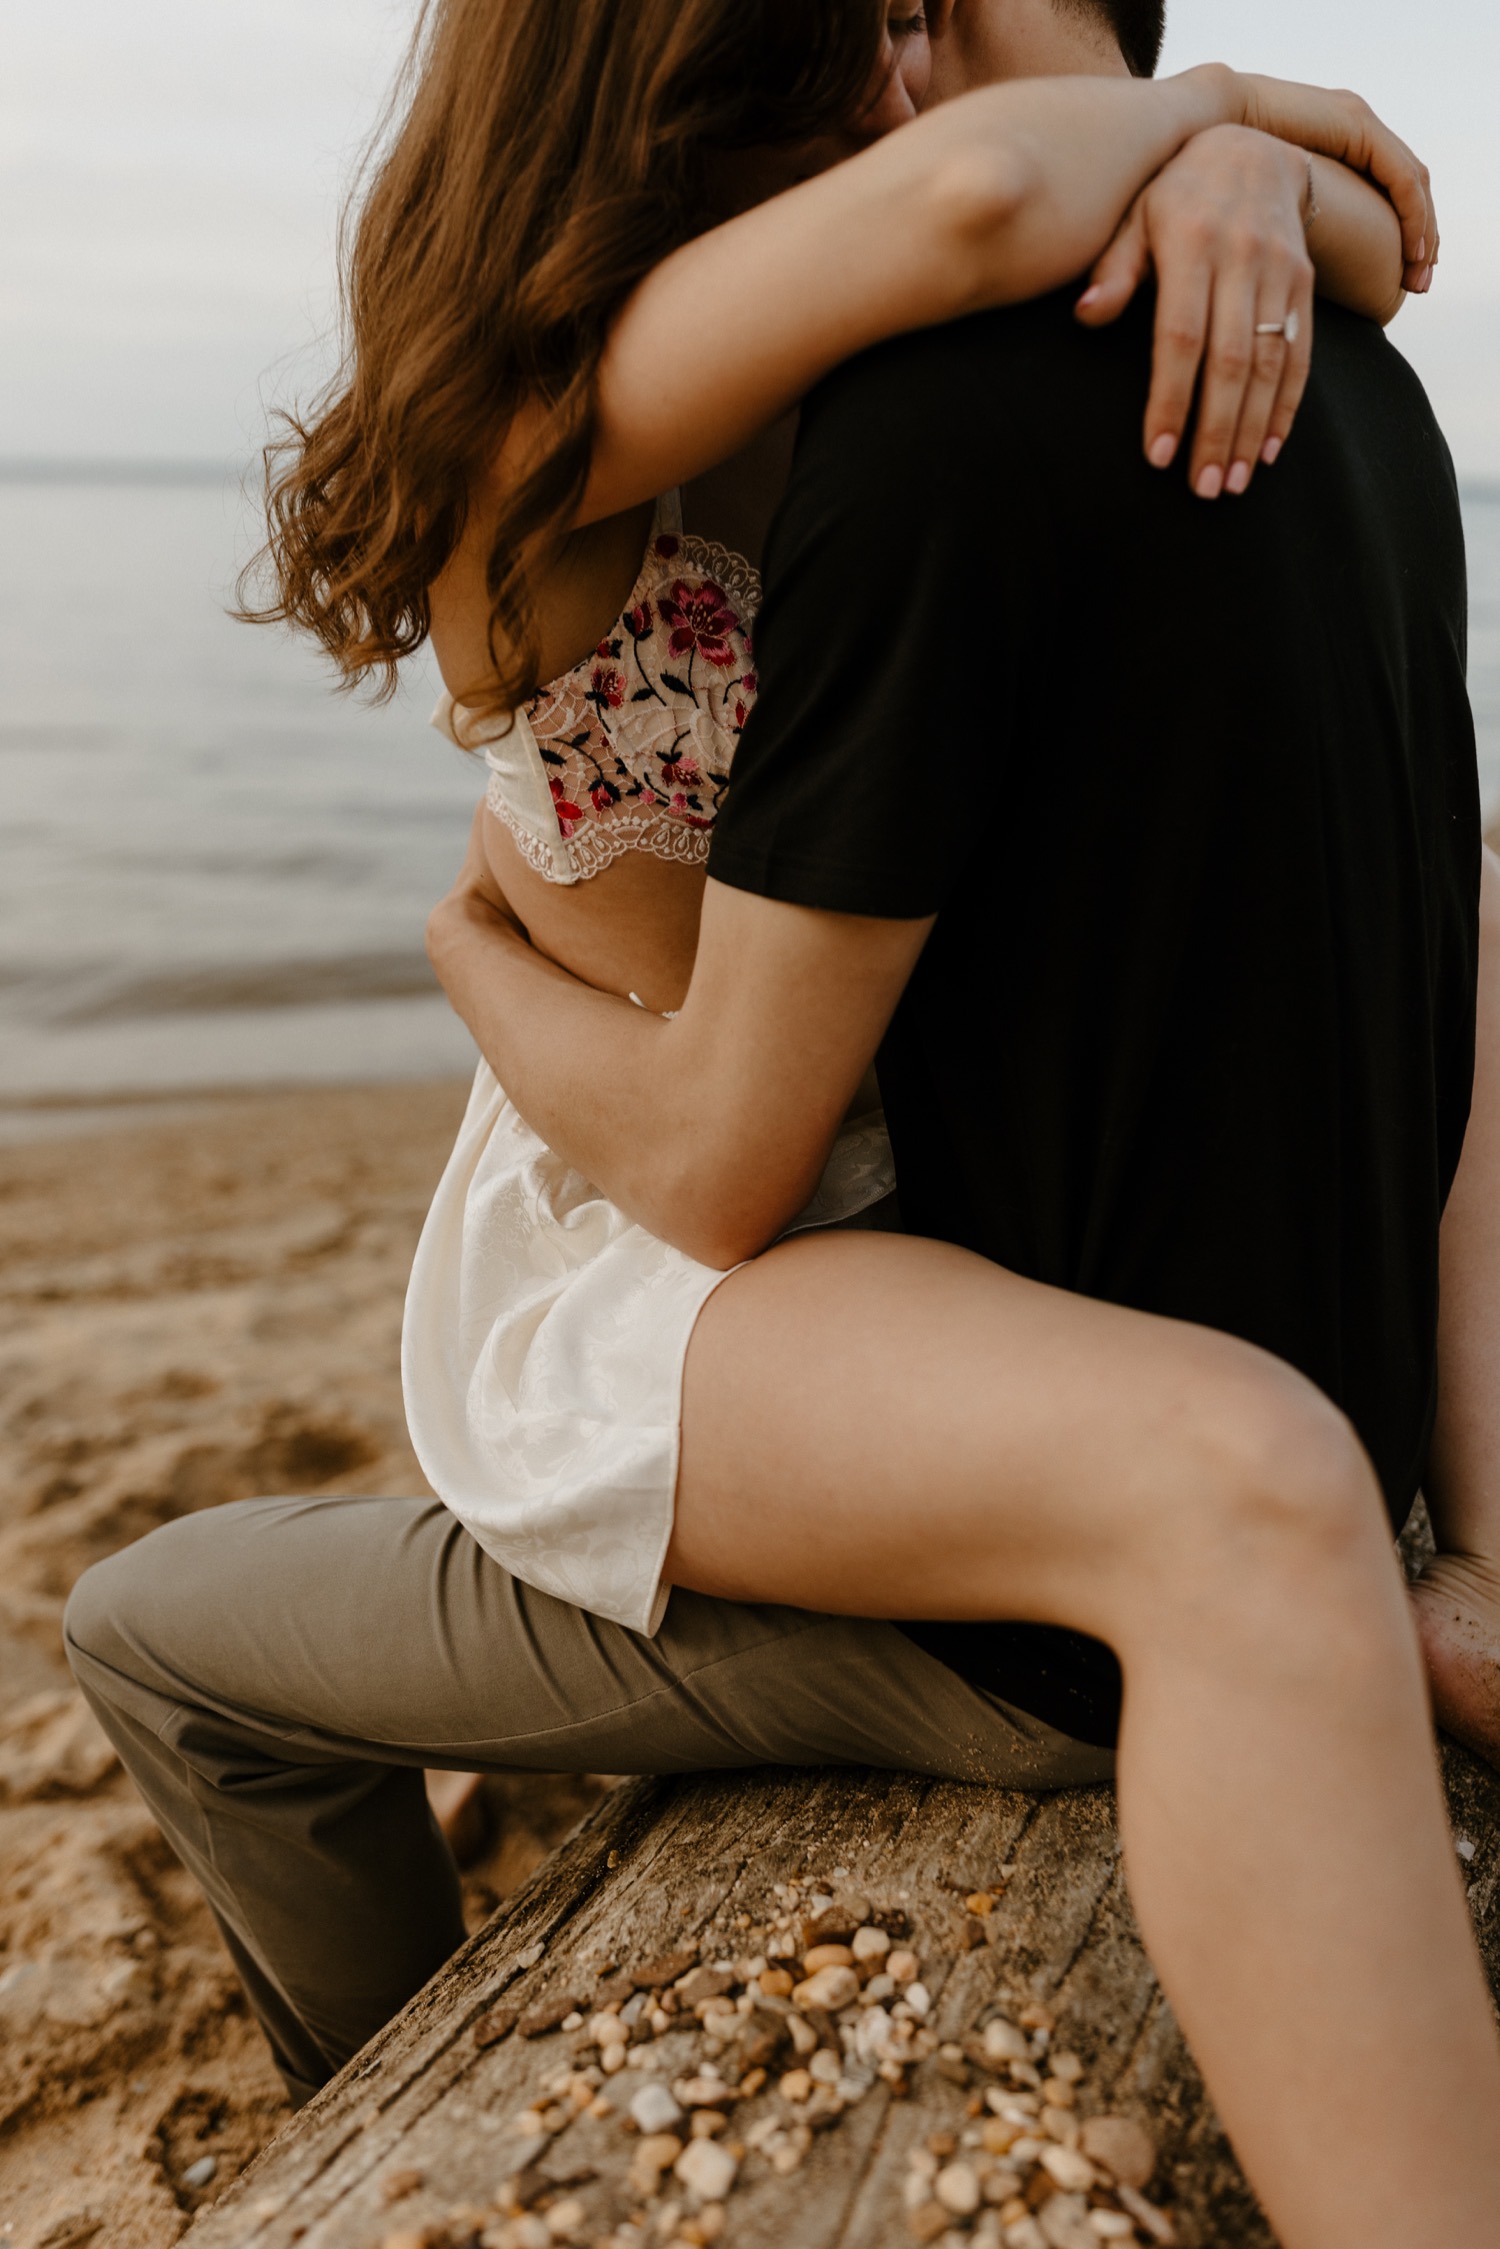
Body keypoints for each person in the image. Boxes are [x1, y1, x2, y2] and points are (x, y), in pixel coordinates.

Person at [63, 4, 1500, 2244]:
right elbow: (979, 189)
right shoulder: (559, 426)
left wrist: (1226, 172)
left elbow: (1350, 249)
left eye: (931, 28)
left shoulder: (879, 395)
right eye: (862, 38)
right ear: (665, 96)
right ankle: (367, 2115)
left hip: (887, 1226)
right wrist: (1215, 124)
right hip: (662, 1250)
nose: (919, 81)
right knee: (160, 1627)